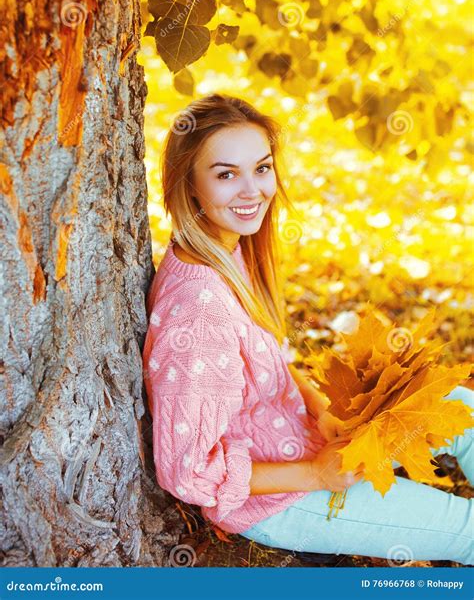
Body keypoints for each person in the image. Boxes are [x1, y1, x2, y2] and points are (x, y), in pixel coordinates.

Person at [142, 93, 473, 566]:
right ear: (189, 186)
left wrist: (320, 410)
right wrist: (317, 474)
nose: (252, 190)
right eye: (225, 174)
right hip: (276, 499)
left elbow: (267, 360)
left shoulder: (228, 251)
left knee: (461, 411)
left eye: (261, 167)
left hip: (303, 436)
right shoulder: (197, 311)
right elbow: (188, 471)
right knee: (466, 531)